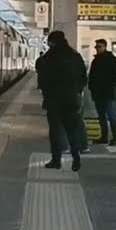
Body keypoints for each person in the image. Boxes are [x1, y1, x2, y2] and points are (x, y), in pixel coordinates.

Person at [35, 30, 88, 171]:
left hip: (54, 101)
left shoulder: (49, 58)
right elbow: (83, 78)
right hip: (71, 100)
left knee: (55, 131)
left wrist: (46, 93)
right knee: (72, 130)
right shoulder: (75, 56)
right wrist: (76, 91)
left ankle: (56, 160)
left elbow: (41, 74)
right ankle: (76, 158)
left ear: (52, 42)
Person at [88, 38, 116, 146]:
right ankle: (105, 136)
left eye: (99, 47)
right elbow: (91, 77)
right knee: (102, 116)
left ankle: (114, 137)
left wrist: (104, 85)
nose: (97, 49)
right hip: (101, 93)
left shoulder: (112, 60)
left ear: (104, 47)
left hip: (107, 93)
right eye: (96, 47)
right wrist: (92, 88)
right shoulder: (97, 60)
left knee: (111, 116)